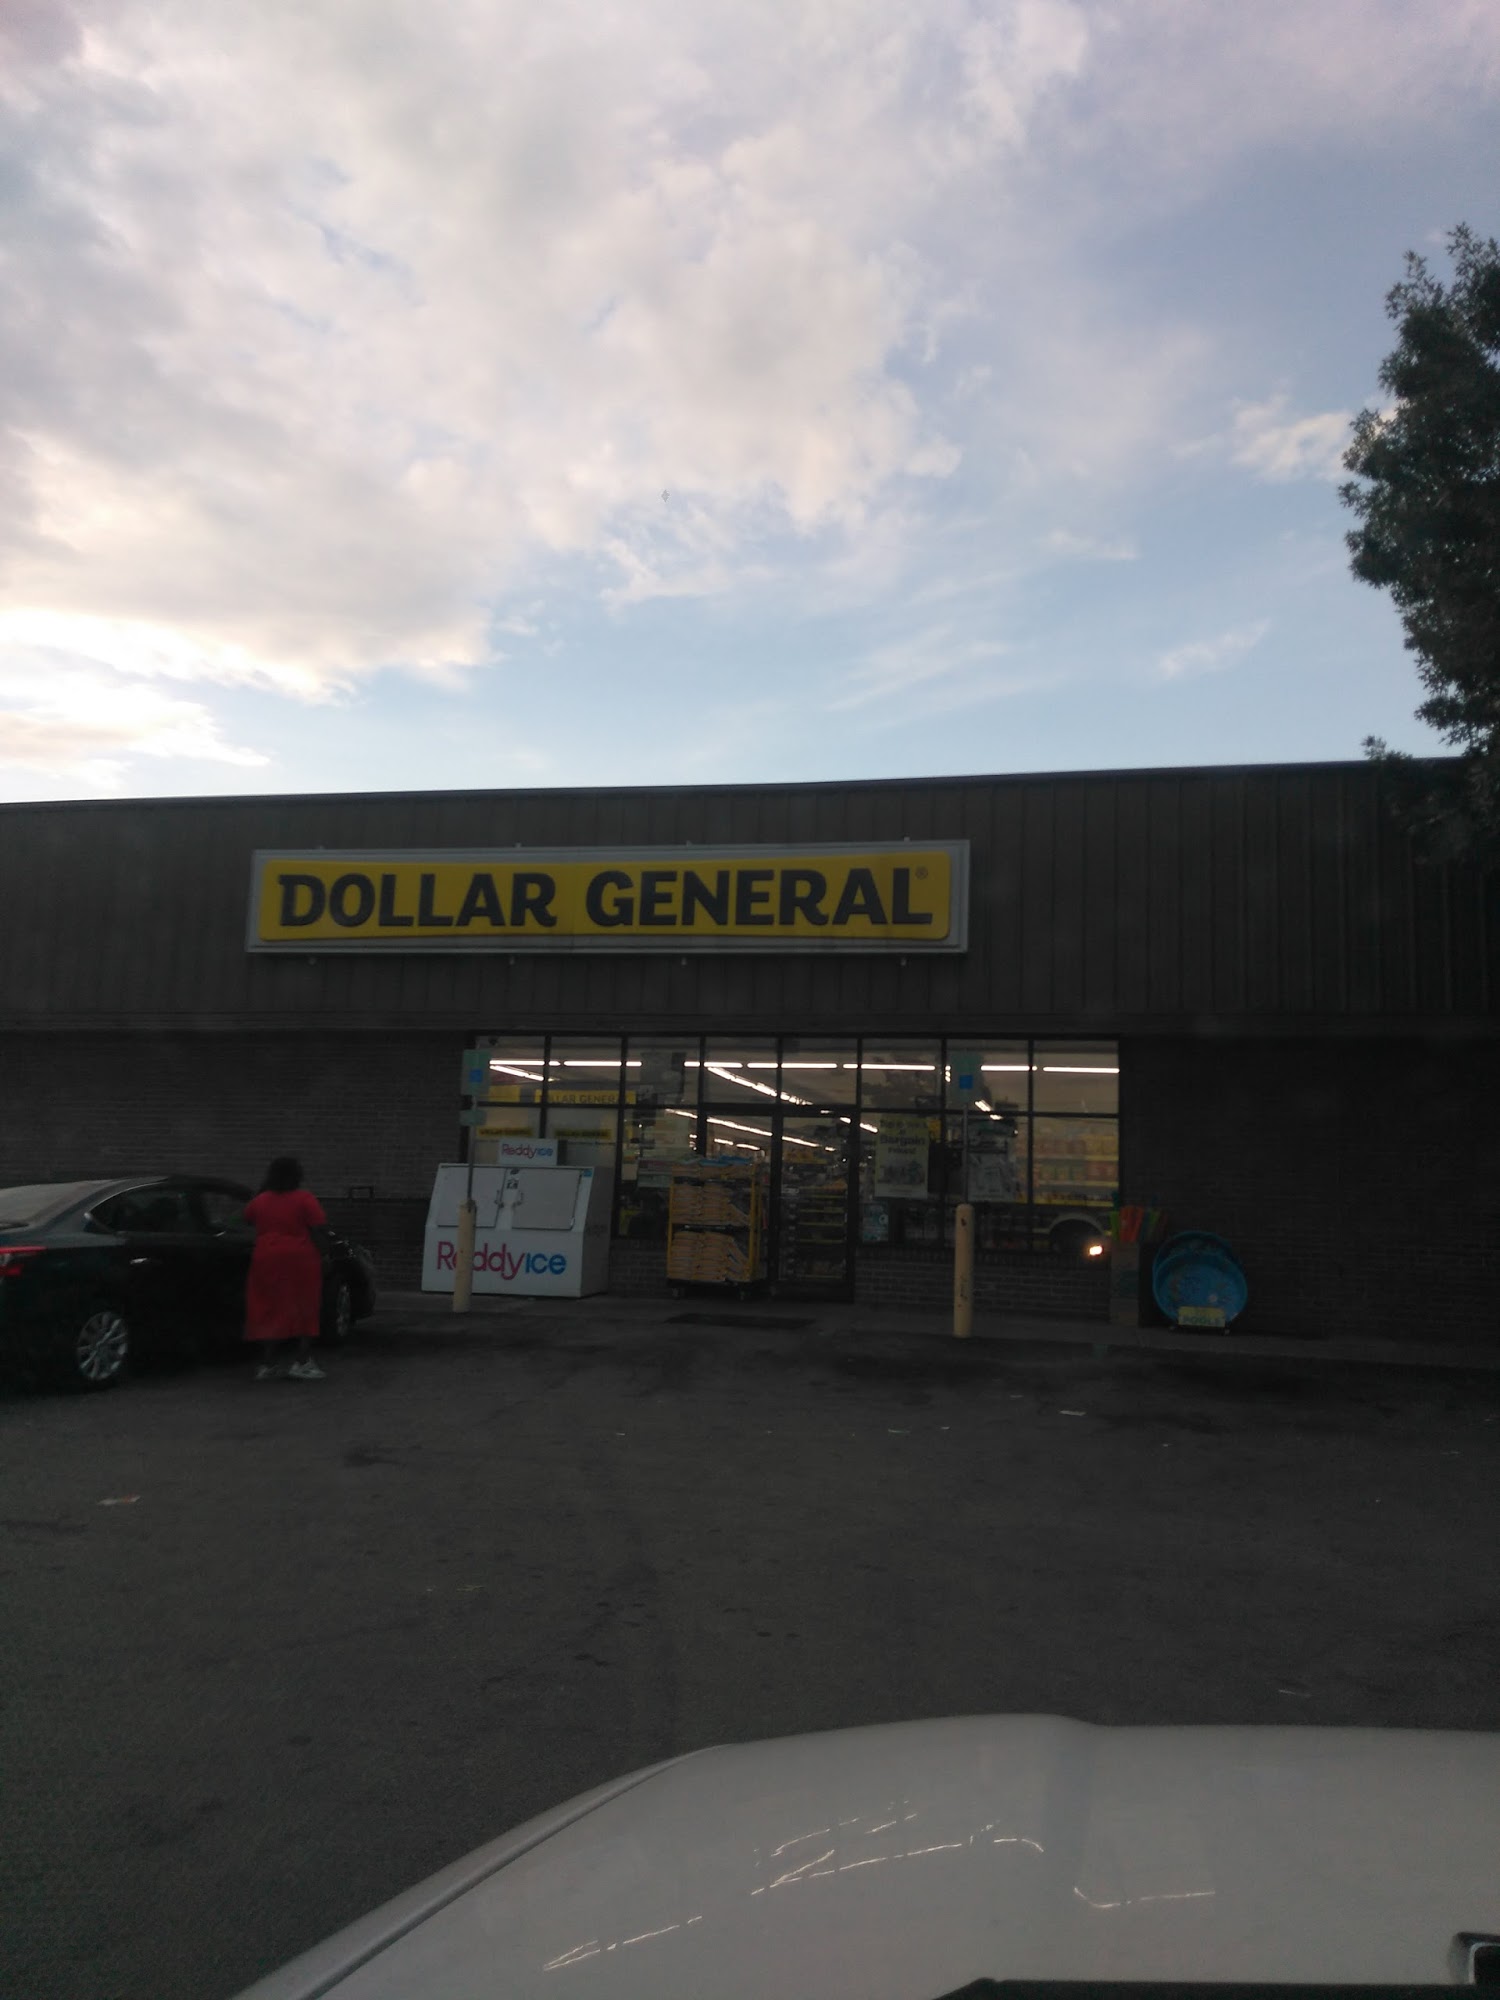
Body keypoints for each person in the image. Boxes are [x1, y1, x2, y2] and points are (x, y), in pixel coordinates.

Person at [244, 1156, 329, 1381]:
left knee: (269, 1307)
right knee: (304, 1307)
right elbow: (319, 1228)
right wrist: (325, 1253)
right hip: (300, 1258)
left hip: (266, 1258)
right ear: (297, 1175)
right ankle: (302, 1361)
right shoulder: (305, 1199)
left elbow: (245, 1219)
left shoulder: (261, 1200)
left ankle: (267, 1363)